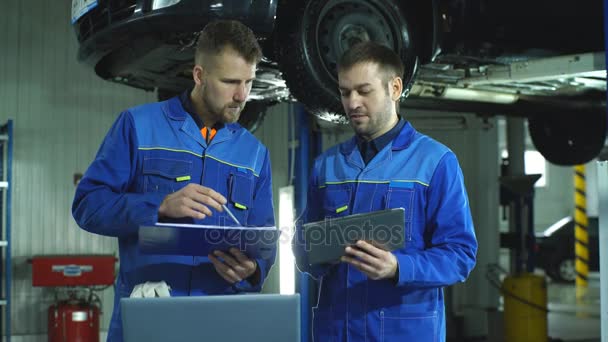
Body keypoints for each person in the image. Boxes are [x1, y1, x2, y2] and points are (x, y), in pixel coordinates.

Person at [72, 20, 276, 341]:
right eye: (230, 81)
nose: (242, 95)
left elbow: (264, 239)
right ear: (199, 75)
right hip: (149, 316)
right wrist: (160, 205)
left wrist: (252, 270)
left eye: (249, 82)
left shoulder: (254, 154)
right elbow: (88, 206)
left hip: (220, 322)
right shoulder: (138, 126)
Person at [293, 41, 478, 341]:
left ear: (394, 88)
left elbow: (460, 255)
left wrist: (398, 267)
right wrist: (316, 252)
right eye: (344, 92)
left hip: (404, 332)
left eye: (364, 91)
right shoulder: (327, 166)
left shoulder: (436, 163)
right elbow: (302, 247)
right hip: (337, 331)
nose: (352, 103)